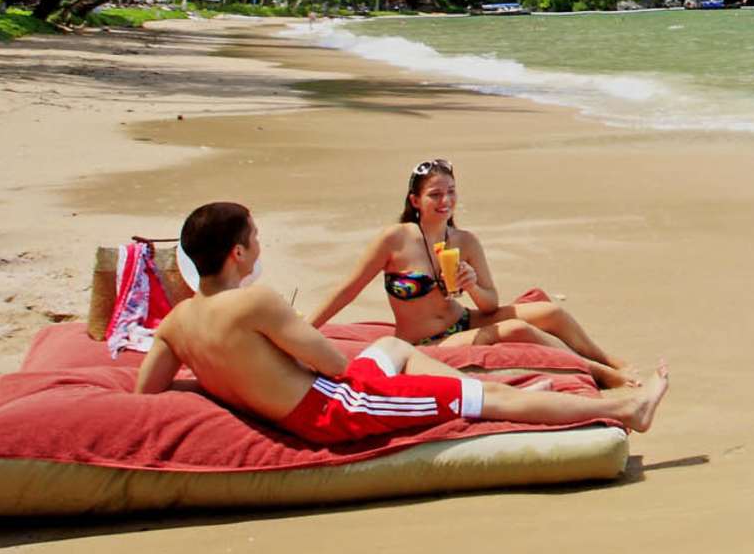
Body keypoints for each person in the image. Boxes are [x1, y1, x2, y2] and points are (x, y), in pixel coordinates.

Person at [138, 201, 666, 444]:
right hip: (337, 409)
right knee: (484, 401)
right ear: (237, 253)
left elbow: (149, 389)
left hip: (318, 396)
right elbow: (333, 364)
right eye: (255, 237)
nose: (259, 245)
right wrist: (285, 346)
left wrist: (226, 377)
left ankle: (484, 389)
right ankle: (625, 407)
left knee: (394, 347)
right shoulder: (255, 303)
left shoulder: (178, 322)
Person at [305, 158, 637, 388]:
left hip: (463, 320)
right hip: (426, 341)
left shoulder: (464, 241)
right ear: (415, 200)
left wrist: (473, 285)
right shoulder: (395, 239)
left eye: (451, 192)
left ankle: (606, 359)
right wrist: (305, 329)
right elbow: (348, 289)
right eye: (435, 194)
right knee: (516, 329)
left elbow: (489, 303)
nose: (445, 200)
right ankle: (594, 372)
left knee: (550, 312)